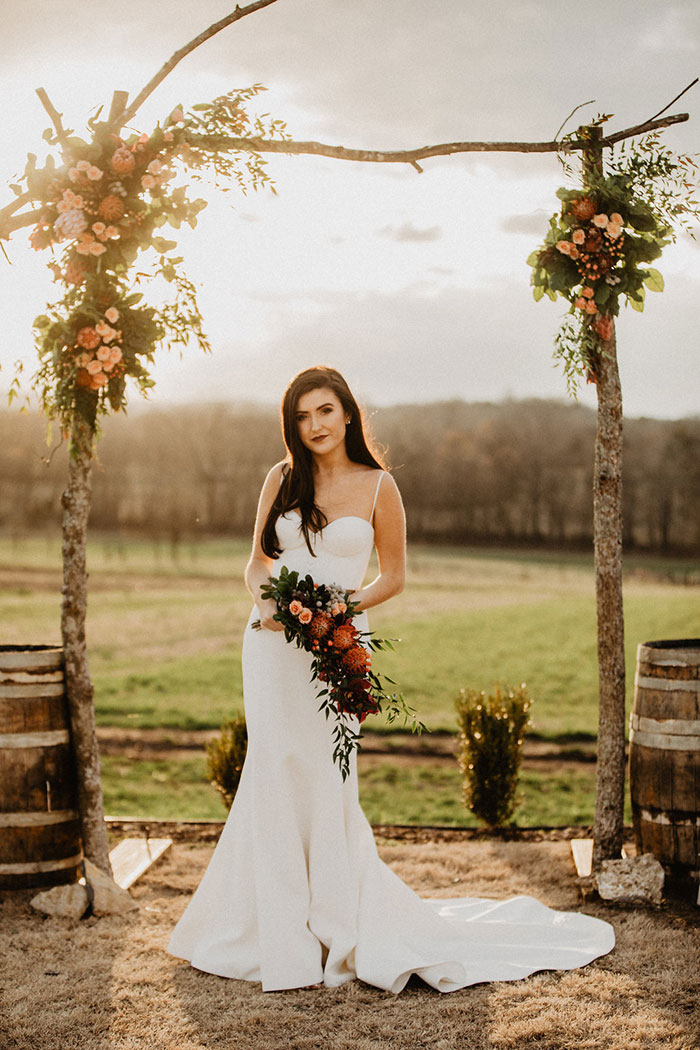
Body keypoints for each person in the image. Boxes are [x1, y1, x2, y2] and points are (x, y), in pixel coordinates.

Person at [168, 365, 614, 994]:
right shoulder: (281, 478)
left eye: (325, 411)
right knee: (273, 765)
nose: (315, 425)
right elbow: (258, 560)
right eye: (302, 416)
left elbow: (394, 576)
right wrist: (269, 604)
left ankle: (336, 917)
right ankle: (268, 927)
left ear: (348, 413)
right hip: (270, 643)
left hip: (338, 644)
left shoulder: (380, 486)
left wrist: (335, 614)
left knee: (327, 772)